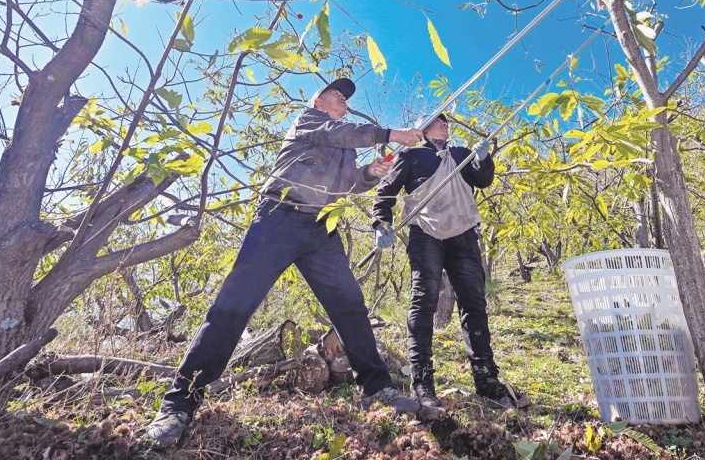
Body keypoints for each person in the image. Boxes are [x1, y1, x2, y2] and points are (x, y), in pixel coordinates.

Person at [146, 77, 425, 449]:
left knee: (350, 308)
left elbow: (346, 183)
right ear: (318, 100)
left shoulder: (343, 143)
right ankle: (178, 404)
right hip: (278, 217)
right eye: (336, 94)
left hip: (320, 229)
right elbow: (339, 134)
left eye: (345, 96)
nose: (343, 98)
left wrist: (369, 175)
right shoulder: (310, 122)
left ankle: (377, 389)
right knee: (232, 307)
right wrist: (391, 133)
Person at [372, 112, 529, 412]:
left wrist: (483, 159)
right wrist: (381, 223)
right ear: (423, 127)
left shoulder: (460, 154)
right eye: (438, 120)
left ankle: (486, 381)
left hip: (463, 232)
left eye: (446, 121)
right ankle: (423, 383)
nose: (445, 123)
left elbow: (483, 181)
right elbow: (385, 192)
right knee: (424, 300)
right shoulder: (412, 156)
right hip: (425, 233)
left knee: (474, 303)